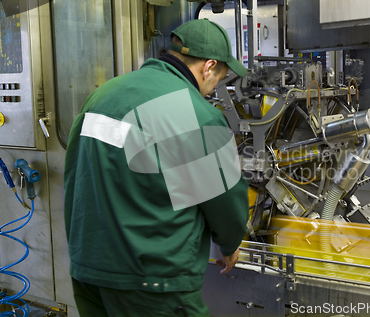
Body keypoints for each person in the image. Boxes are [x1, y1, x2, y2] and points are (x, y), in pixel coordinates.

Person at [64, 18, 249, 317]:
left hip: (89, 268)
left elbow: (77, 172)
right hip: (150, 280)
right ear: (208, 66)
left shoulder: (105, 93)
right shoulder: (194, 113)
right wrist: (229, 244)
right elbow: (224, 199)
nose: (214, 88)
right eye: (219, 79)